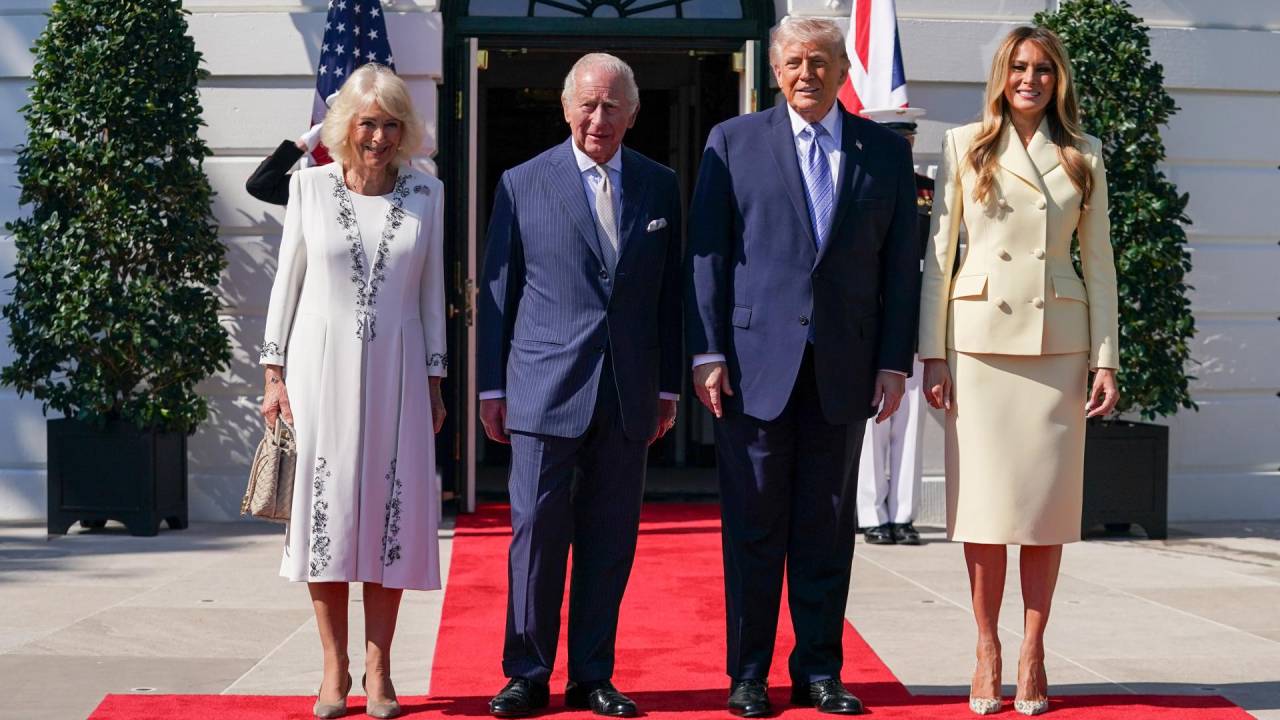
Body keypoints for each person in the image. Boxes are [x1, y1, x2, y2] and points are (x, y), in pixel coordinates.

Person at [686, 18, 920, 717]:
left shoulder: (884, 151)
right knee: (753, 529)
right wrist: (707, 351)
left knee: (826, 530)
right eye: (793, 62)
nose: (807, 74)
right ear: (775, 72)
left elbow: (900, 268)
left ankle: (820, 671)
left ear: (844, 70)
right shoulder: (733, 142)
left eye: (820, 61)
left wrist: (894, 362)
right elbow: (708, 254)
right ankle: (748, 675)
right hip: (752, 369)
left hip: (845, 369)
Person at [917, 26, 1120, 716]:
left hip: (1056, 345)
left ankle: (1033, 650)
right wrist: (933, 351)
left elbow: (1099, 266)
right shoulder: (964, 144)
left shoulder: (1084, 153)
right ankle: (986, 647)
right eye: (1020, 68)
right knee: (982, 509)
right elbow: (940, 259)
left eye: (1043, 69)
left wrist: (1106, 357)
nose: (1030, 79)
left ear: (1059, 80)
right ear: (1002, 76)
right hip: (978, 346)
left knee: (1043, 510)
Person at [476, 53, 682, 718]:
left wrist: (669, 386)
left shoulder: (659, 185)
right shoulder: (521, 182)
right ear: (566, 109)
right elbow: (498, 290)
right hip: (542, 389)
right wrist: (490, 388)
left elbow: (671, 293)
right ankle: (526, 673)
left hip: (627, 391)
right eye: (588, 105)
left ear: (633, 113)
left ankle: (593, 675)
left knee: (610, 538)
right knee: (536, 535)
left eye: (612, 106)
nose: (599, 118)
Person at [259, 62, 447, 720]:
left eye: (392, 124)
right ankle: (333, 667)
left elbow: (431, 295)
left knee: (391, 516)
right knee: (328, 518)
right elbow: (286, 283)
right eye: (368, 123)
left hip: (399, 372)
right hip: (318, 370)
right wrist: (273, 374)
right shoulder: (308, 187)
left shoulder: (427, 194)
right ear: (345, 125)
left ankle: (380, 668)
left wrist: (436, 381)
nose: (379, 137)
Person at [856, 106, 932, 546]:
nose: (903, 149)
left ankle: (903, 514)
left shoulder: (928, 190)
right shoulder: (860, 181)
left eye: (908, 141)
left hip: (916, 320)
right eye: (895, 141)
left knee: (911, 421)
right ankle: (871, 512)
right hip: (870, 321)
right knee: (872, 424)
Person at [245, 122, 324, 206]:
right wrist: (304, 143)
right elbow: (259, 187)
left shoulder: (322, 182)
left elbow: (258, 188)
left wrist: (304, 143)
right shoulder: (318, 182)